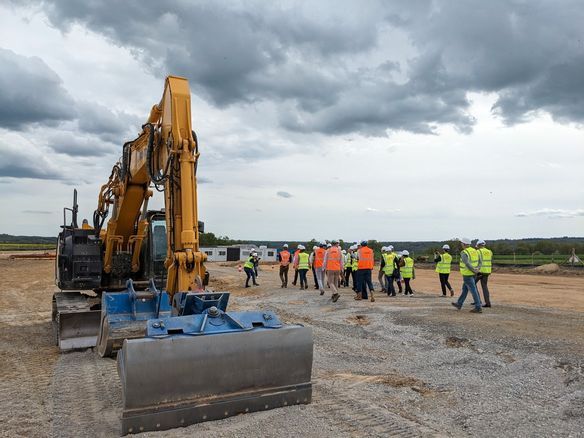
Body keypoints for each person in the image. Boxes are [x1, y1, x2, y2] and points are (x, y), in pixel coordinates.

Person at [452, 237, 483, 313]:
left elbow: (467, 263)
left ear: (464, 244)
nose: (461, 244)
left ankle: (478, 307)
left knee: (473, 290)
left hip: (467, 274)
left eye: (462, 243)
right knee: (465, 289)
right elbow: (480, 261)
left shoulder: (464, 252)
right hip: (473, 274)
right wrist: (477, 269)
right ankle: (459, 303)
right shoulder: (475, 251)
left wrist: (474, 270)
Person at [475, 240, 493, 307]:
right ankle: (488, 303)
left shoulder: (478, 252)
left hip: (479, 272)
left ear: (479, 245)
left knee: (472, 285)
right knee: (484, 287)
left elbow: (475, 261)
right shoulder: (489, 252)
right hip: (487, 271)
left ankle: (477, 301)